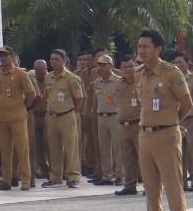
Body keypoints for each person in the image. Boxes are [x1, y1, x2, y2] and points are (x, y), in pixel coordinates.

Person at [132, 29, 192, 211]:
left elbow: (187, 104)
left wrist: (172, 123)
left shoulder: (170, 73)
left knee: (173, 188)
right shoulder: (139, 74)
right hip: (145, 135)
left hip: (166, 135)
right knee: (151, 189)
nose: (141, 51)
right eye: (139, 47)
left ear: (158, 49)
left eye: (146, 47)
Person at [0, 45, 37, 190]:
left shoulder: (20, 74)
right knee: (4, 150)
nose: (3, 58)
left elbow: (31, 93)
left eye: (6, 55)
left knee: (21, 148)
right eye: (1, 56)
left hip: (17, 115)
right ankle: (6, 180)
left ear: (12, 56)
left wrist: (25, 106)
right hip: (2, 116)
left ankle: (26, 180)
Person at [44, 49, 84, 187]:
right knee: (54, 148)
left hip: (66, 115)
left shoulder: (71, 78)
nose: (53, 62)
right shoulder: (48, 77)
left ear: (64, 61)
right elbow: (46, 97)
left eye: (57, 59)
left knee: (70, 148)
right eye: (52, 59)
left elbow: (79, 98)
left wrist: (71, 110)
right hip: (52, 117)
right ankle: (55, 177)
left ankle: (73, 177)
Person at [173, 52, 193, 190]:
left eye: (181, 62)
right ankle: (181, 183)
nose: (178, 65)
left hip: (192, 118)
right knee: (179, 152)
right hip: (178, 119)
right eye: (176, 62)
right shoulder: (173, 79)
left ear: (188, 63)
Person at [90, 50, 120, 185]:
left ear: (111, 66)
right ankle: (107, 176)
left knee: (118, 147)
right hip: (101, 116)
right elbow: (95, 100)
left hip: (115, 116)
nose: (101, 67)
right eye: (99, 65)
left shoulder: (118, 81)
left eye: (104, 64)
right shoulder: (98, 82)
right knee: (104, 148)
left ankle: (120, 175)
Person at [114, 54, 141, 197]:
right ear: (120, 69)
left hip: (139, 124)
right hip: (123, 126)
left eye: (130, 66)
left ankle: (151, 186)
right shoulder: (118, 84)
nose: (128, 69)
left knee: (144, 158)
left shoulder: (141, 81)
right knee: (127, 157)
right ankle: (130, 185)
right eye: (124, 67)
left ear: (136, 66)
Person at [30, 59, 50, 182]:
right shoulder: (32, 81)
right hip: (36, 116)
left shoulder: (51, 80)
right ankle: (44, 169)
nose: (40, 75)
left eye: (42, 72)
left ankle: (56, 170)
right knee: (37, 146)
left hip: (48, 116)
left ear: (46, 69)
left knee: (50, 144)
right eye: (37, 72)